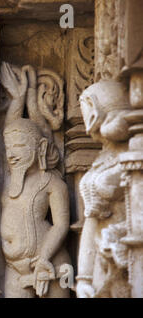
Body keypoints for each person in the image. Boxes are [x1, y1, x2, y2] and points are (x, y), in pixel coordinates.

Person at [0, 62, 71, 297]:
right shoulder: (11, 177)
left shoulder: (52, 183)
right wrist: (20, 96)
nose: (12, 153)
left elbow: (60, 225)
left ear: (38, 148)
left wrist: (44, 258)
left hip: (48, 261)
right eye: (9, 147)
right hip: (15, 267)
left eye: (20, 147)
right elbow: (10, 126)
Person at [76, 80, 132, 298]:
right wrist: (83, 277)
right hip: (100, 254)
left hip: (123, 251)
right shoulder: (103, 159)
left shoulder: (133, 153)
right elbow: (91, 218)